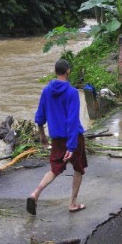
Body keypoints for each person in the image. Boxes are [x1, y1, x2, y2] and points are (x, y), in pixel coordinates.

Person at [27, 59, 87, 215]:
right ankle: (73, 204)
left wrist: (43, 136)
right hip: (73, 137)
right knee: (78, 169)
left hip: (56, 138)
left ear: (55, 72)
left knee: (55, 169)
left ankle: (35, 193)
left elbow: (40, 117)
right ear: (68, 71)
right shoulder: (72, 92)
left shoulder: (46, 91)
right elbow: (72, 120)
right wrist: (72, 146)